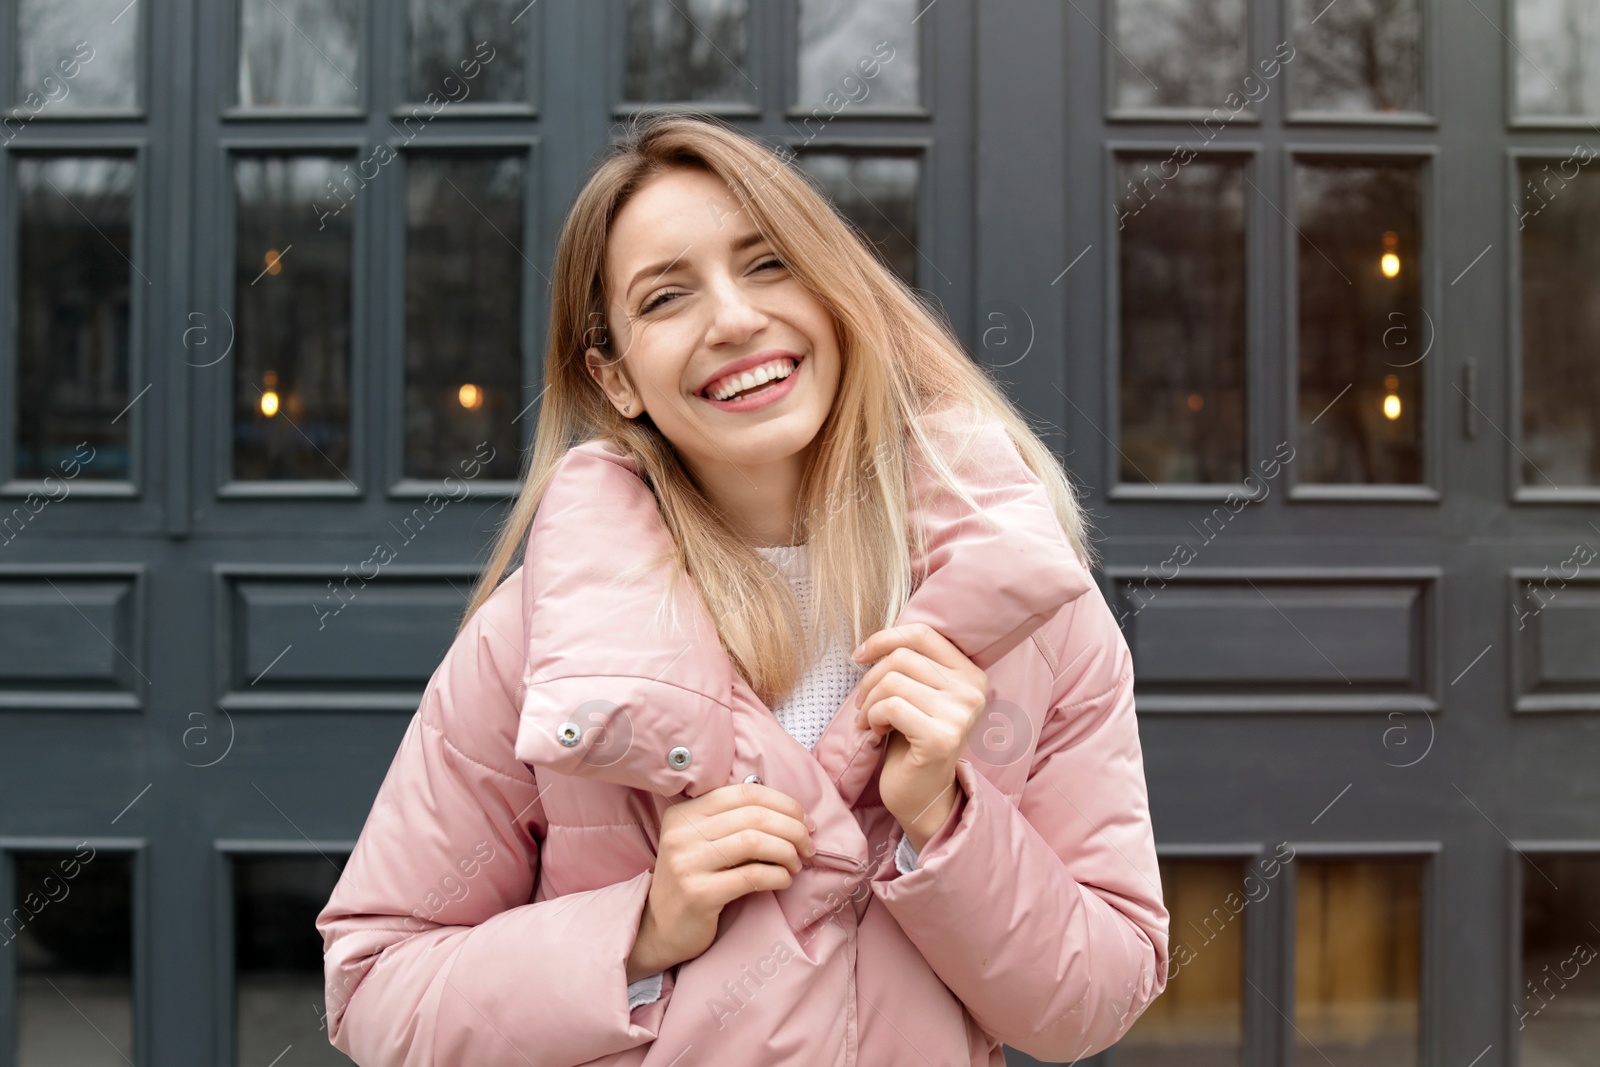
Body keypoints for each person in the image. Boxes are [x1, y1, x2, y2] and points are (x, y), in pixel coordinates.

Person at [316, 110, 1168, 1067]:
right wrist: (639, 930)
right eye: (667, 297)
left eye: (768, 264)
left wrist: (944, 819)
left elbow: (1090, 1003)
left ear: (837, 295)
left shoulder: (1032, 619)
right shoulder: (538, 641)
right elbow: (376, 983)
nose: (732, 319)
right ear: (617, 376)